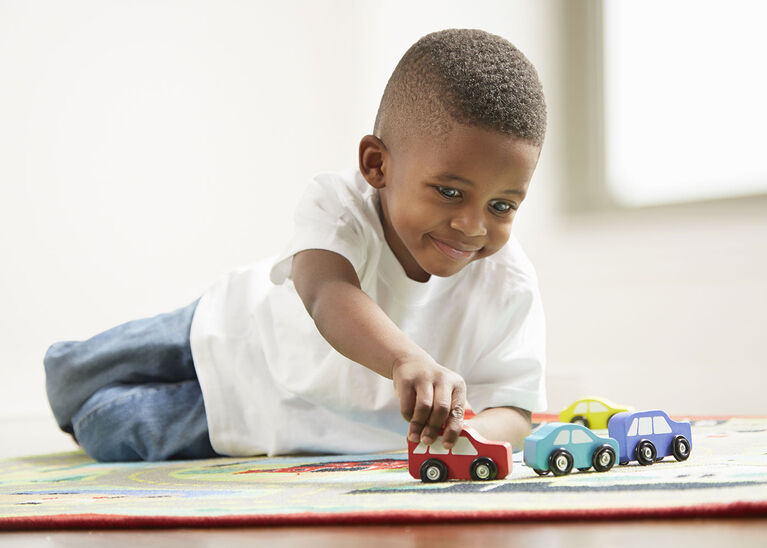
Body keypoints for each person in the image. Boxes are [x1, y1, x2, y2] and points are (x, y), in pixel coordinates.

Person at [44, 28, 548, 462]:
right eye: (450, 192)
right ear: (377, 165)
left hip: (271, 418)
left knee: (103, 424)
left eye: (502, 206)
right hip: (233, 331)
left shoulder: (510, 284)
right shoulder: (342, 202)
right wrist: (403, 359)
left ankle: (97, 417)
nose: (473, 226)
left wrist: (471, 433)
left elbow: (517, 408)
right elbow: (327, 292)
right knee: (71, 380)